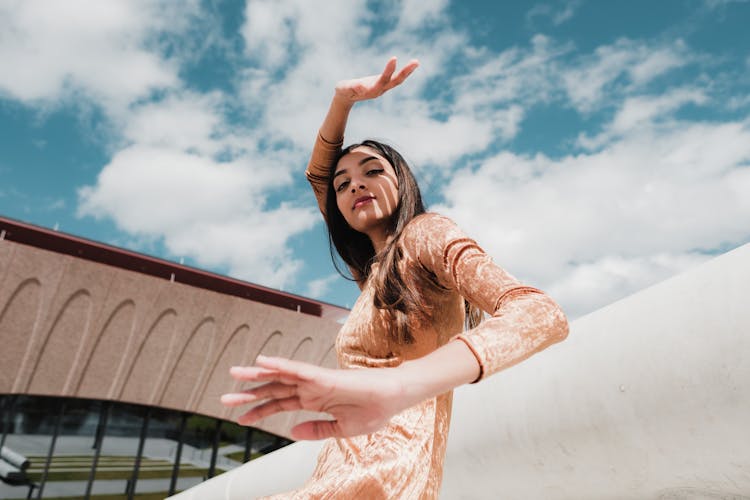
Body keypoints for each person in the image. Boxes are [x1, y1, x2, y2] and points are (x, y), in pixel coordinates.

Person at [221, 57, 569, 499]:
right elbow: (317, 176)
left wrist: (398, 384)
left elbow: (540, 314)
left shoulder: (425, 235)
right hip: (335, 476)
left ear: (402, 182)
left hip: (388, 478)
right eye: (343, 184)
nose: (354, 186)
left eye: (372, 171)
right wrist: (342, 99)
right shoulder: (371, 274)